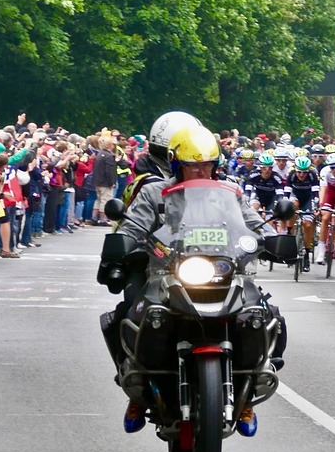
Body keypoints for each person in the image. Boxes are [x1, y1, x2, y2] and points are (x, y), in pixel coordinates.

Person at [107, 123, 282, 434]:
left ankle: (249, 394)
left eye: (206, 165)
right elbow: (133, 226)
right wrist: (124, 244)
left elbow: (253, 224)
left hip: (224, 272)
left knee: (264, 315)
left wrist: (273, 240)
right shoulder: (154, 193)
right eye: (192, 165)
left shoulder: (229, 193)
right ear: (177, 164)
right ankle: (136, 389)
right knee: (127, 313)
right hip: (168, 272)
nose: (200, 171)